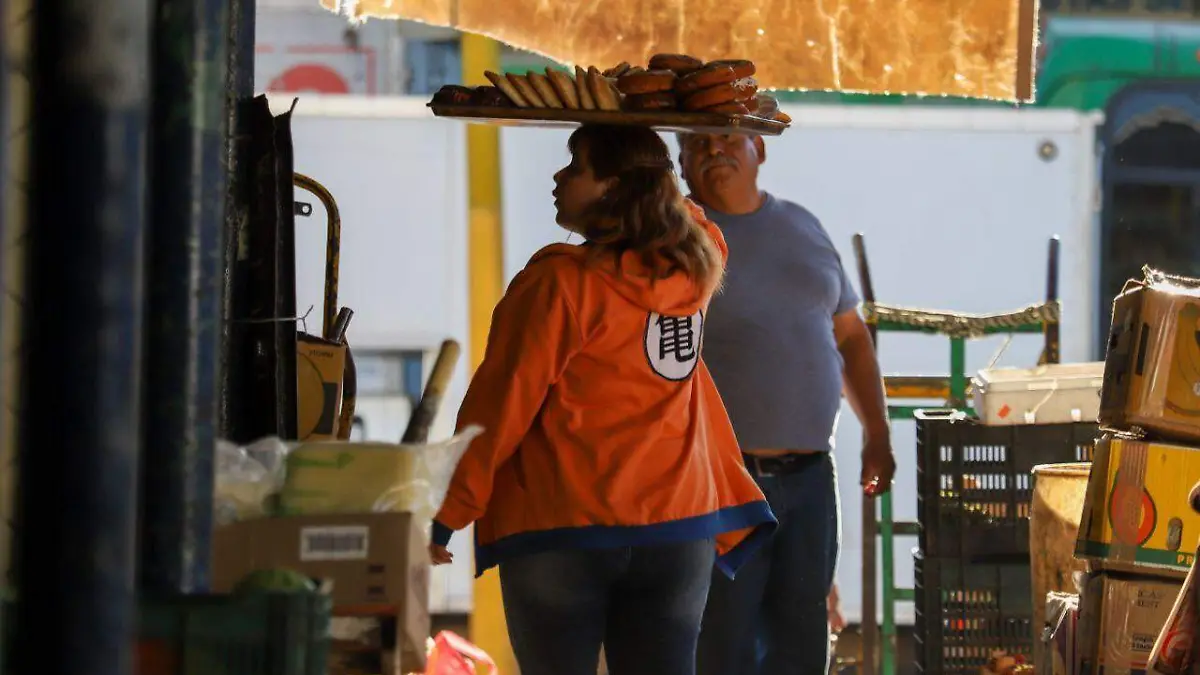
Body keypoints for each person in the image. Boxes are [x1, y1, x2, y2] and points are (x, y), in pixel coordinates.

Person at [428, 124, 777, 675]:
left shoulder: (560, 286)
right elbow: (691, 217)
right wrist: (644, 154)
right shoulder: (696, 266)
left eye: (575, 166)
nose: (557, 177)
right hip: (677, 529)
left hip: (565, 528)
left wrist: (446, 515)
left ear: (614, 187)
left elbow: (501, 407)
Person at [678, 131, 895, 675]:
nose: (713, 150)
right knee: (722, 645)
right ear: (680, 161)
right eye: (697, 143)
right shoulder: (676, 240)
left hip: (810, 481)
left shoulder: (804, 227)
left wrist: (878, 433)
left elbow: (850, 338)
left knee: (801, 641)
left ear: (761, 149)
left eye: (728, 138)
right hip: (719, 486)